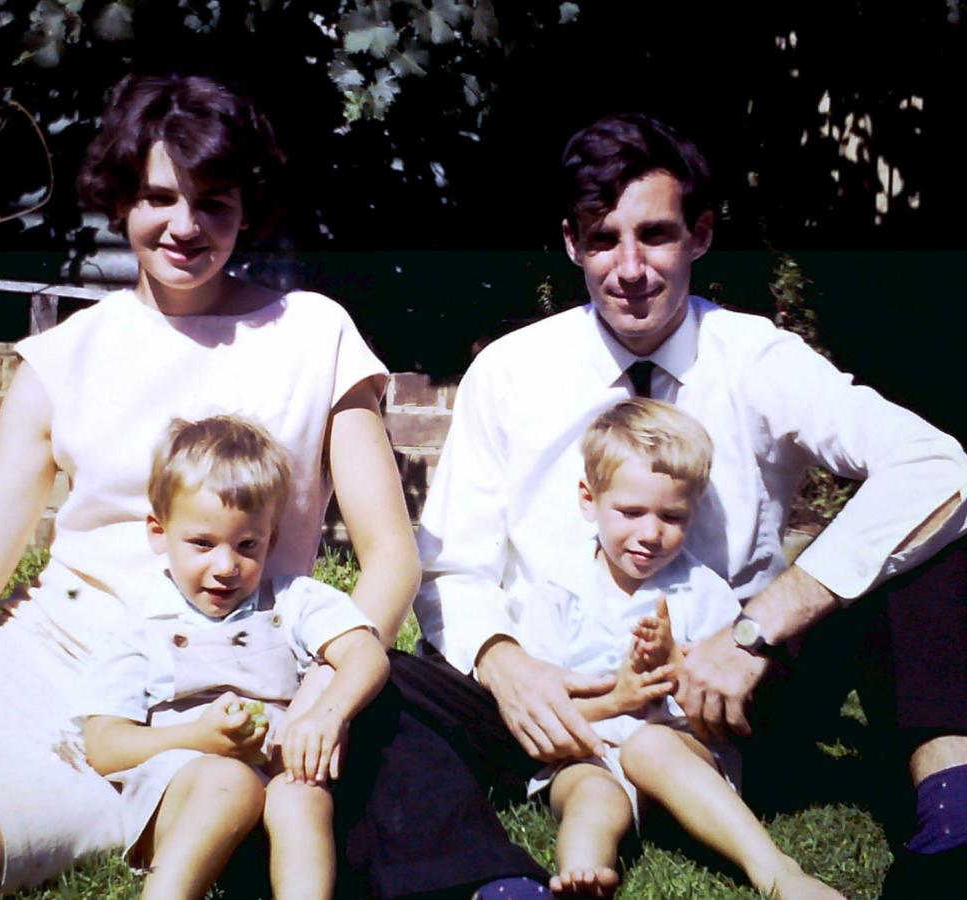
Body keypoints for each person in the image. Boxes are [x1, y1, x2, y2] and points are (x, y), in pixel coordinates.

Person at [0, 73, 419, 895]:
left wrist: (324, 697)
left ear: (247, 207)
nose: (185, 227)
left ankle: (78, 798)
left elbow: (391, 557)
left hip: (200, 691)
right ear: (120, 203)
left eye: (213, 202)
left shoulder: (314, 336)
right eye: (157, 198)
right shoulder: (65, 356)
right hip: (53, 654)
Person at [387, 111, 967, 897]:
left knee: (931, 532)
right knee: (368, 678)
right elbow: (451, 560)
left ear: (700, 233)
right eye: (602, 239)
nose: (629, 268)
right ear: (570, 243)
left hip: (730, 693)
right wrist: (505, 662)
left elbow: (938, 464)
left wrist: (757, 631)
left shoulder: (757, 356)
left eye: (655, 235)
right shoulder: (513, 371)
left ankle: (951, 821)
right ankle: (492, 881)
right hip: (548, 705)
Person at [516, 398, 839, 898]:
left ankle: (776, 871)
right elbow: (547, 709)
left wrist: (678, 663)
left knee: (650, 745)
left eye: (672, 516)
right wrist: (618, 701)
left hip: (679, 751)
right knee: (591, 796)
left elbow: (722, 705)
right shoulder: (558, 590)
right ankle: (584, 874)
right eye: (630, 512)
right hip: (587, 753)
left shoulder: (701, 589)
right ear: (588, 499)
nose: (650, 534)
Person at [81, 415, 389, 900]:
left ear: (272, 540)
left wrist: (329, 714)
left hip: (273, 784)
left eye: (247, 545)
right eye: (202, 544)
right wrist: (200, 738)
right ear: (159, 533)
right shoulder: (143, 626)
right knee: (227, 780)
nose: (226, 567)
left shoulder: (291, 600)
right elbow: (103, 746)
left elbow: (364, 652)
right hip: (183, 800)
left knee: (302, 792)